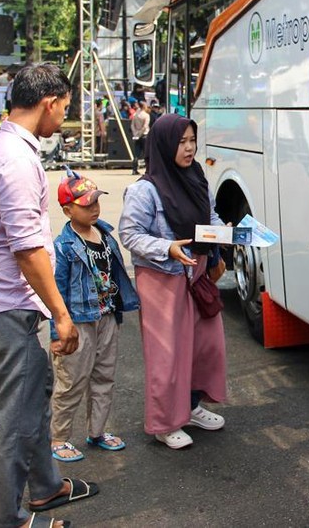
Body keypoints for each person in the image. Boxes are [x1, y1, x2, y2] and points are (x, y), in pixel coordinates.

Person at [0, 63, 99, 528]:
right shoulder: (17, 161)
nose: (63, 117)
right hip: (8, 303)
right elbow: (28, 250)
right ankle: (7, 519)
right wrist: (62, 314)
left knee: (33, 397)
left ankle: (45, 486)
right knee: (14, 419)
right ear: (47, 103)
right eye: (63, 108)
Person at [118, 113, 228, 450]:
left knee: (203, 346)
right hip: (163, 277)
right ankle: (165, 423)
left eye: (192, 140)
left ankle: (191, 406)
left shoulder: (196, 176)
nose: (190, 148)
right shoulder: (144, 190)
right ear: (164, 145)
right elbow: (129, 233)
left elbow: (209, 216)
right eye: (182, 142)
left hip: (198, 272)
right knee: (167, 354)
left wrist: (229, 233)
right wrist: (166, 247)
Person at [49, 170, 139, 462]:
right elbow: (56, 291)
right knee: (72, 380)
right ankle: (59, 437)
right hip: (78, 321)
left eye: (96, 202)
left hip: (107, 316)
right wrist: (57, 331)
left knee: (104, 377)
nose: (94, 208)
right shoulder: (64, 246)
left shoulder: (105, 234)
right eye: (86, 205)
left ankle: (97, 432)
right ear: (67, 209)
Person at [130, 101, 150, 175]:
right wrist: (140, 133)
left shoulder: (135, 115)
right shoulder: (146, 115)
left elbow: (132, 125)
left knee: (136, 153)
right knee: (146, 153)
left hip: (136, 136)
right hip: (144, 135)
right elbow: (145, 126)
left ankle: (134, 169)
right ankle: (148, 170)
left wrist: (136, 133)